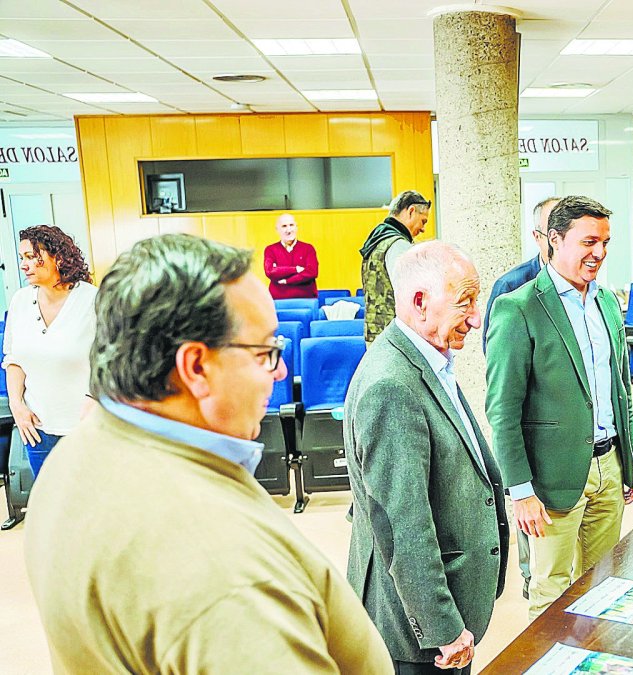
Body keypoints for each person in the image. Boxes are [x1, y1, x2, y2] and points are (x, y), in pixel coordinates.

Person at [23, 234, 392, 672]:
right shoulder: (224, 573)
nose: (280, 372)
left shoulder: (76, 453)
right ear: (196, 367)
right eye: (265, 352)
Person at [345, 241, 508, 675]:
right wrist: (441, 627)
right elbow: (403, 523)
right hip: (416, 637)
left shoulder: (427, 359)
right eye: (465, 303)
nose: (476, 318)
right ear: (420, 302)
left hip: (441, 618)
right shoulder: (390, 385)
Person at [486, 195, 633, 619]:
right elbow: (503, 410)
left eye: (605, 242)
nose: (600, 253)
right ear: (553, 240)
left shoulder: (607, 301)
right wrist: (520, 491)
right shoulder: (518, 307)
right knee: (552, 589)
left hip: (608, 464)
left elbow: (617, 388)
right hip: (550, 477)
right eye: (589, 241)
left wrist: (631, 458)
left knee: (604, 581)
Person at [481, 195, 560, 601]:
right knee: (539, 547)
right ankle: (531, 587)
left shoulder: (588, 287)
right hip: (530, 431)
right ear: (539, 236)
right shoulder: (511, 288)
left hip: (570, 437)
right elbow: (497, 368)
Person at [3, 225, 97, 480]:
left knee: (87, 504)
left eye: (33, 256)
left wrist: (94, 399)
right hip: (36, 427)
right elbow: (13, 360)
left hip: (85, 425)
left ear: (59, 256)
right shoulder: (20, 301)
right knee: (52, 506)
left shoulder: (93, 300)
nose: (25, 265)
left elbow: (115, 359)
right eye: (22, 257)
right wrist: (16, 405)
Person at [483, 196, 560, 353]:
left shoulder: (583, 283)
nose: (562, 244)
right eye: (554, 237)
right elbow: (496, 351)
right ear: (537, 237)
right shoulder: (510, 286)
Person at [361, 190, 431, 344]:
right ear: (411, 211)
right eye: (423, 221)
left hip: (376, 332)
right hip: (395, 338)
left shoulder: (378, 239)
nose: (423, 229)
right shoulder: (398, 245)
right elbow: (409, 295)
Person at [263, 213, 319, 299]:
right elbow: (270, 271)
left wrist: (287, 280)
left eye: (291, 225)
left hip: (306, 301)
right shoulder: (270, 250)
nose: (288, 230)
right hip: (278, 301)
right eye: (284, 226)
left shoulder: (308, 248)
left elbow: (312, 272)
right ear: (277, 230)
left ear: (296, 227)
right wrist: (296, 269)